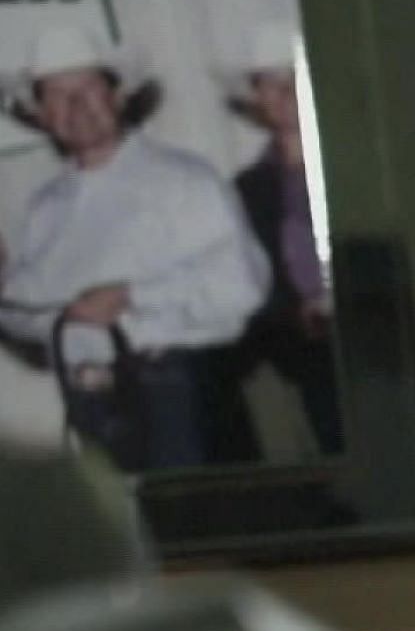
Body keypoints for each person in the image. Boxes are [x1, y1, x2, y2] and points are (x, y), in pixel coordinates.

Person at [0, 25, 269, 471]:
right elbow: (33, 320)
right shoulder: (44, 209)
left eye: (89, 87)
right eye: (56, 95)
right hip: (91, 400)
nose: (76, 106)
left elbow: (242, 288)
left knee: (196, 527)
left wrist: (130, 296)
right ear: (40, 115)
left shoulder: (184, 180)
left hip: (181, 392)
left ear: (118, 96)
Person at [209, 22, 344, 461]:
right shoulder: (248, 189)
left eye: (294, 75)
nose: (285, 91)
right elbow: (249, 285)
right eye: (271, 81)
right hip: (309, 357)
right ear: (256, 97)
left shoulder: (364, 161)